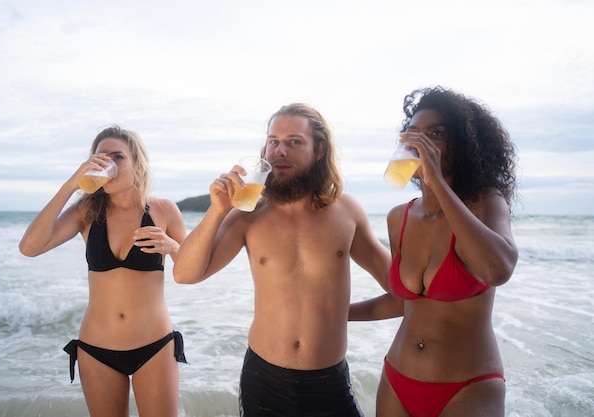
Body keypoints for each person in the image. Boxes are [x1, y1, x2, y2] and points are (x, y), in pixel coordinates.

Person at [173, 103, 402, 417]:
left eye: (294, 141)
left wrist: (340, 315)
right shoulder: (247, 216)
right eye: (273, 141)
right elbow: (185, 274)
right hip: (264, 381)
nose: (280, 150)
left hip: (329, 381)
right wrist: (217, 210)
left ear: (319, 150)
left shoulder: (346, 212)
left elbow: (404, 295)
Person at [350, 86, 519, 417]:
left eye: (436, 134)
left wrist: (438, 183)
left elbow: (499, 270)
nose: (421, 142)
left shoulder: (486, 202)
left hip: (467, 387)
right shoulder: (399, 217)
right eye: (414, 133)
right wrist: (336, 313)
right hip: (397, 380)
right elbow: (405, 301)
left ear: (464, 146)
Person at [19, 125, 187, 417]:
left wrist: (172, 246)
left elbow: (190, 270)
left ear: (137, 163)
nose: (107, 163)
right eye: (100, 157)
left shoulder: (164, 210)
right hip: (97, 351)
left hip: (155, 346)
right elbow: (30, 247)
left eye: (117, 157)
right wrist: (72, 184)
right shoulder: (87, 211)